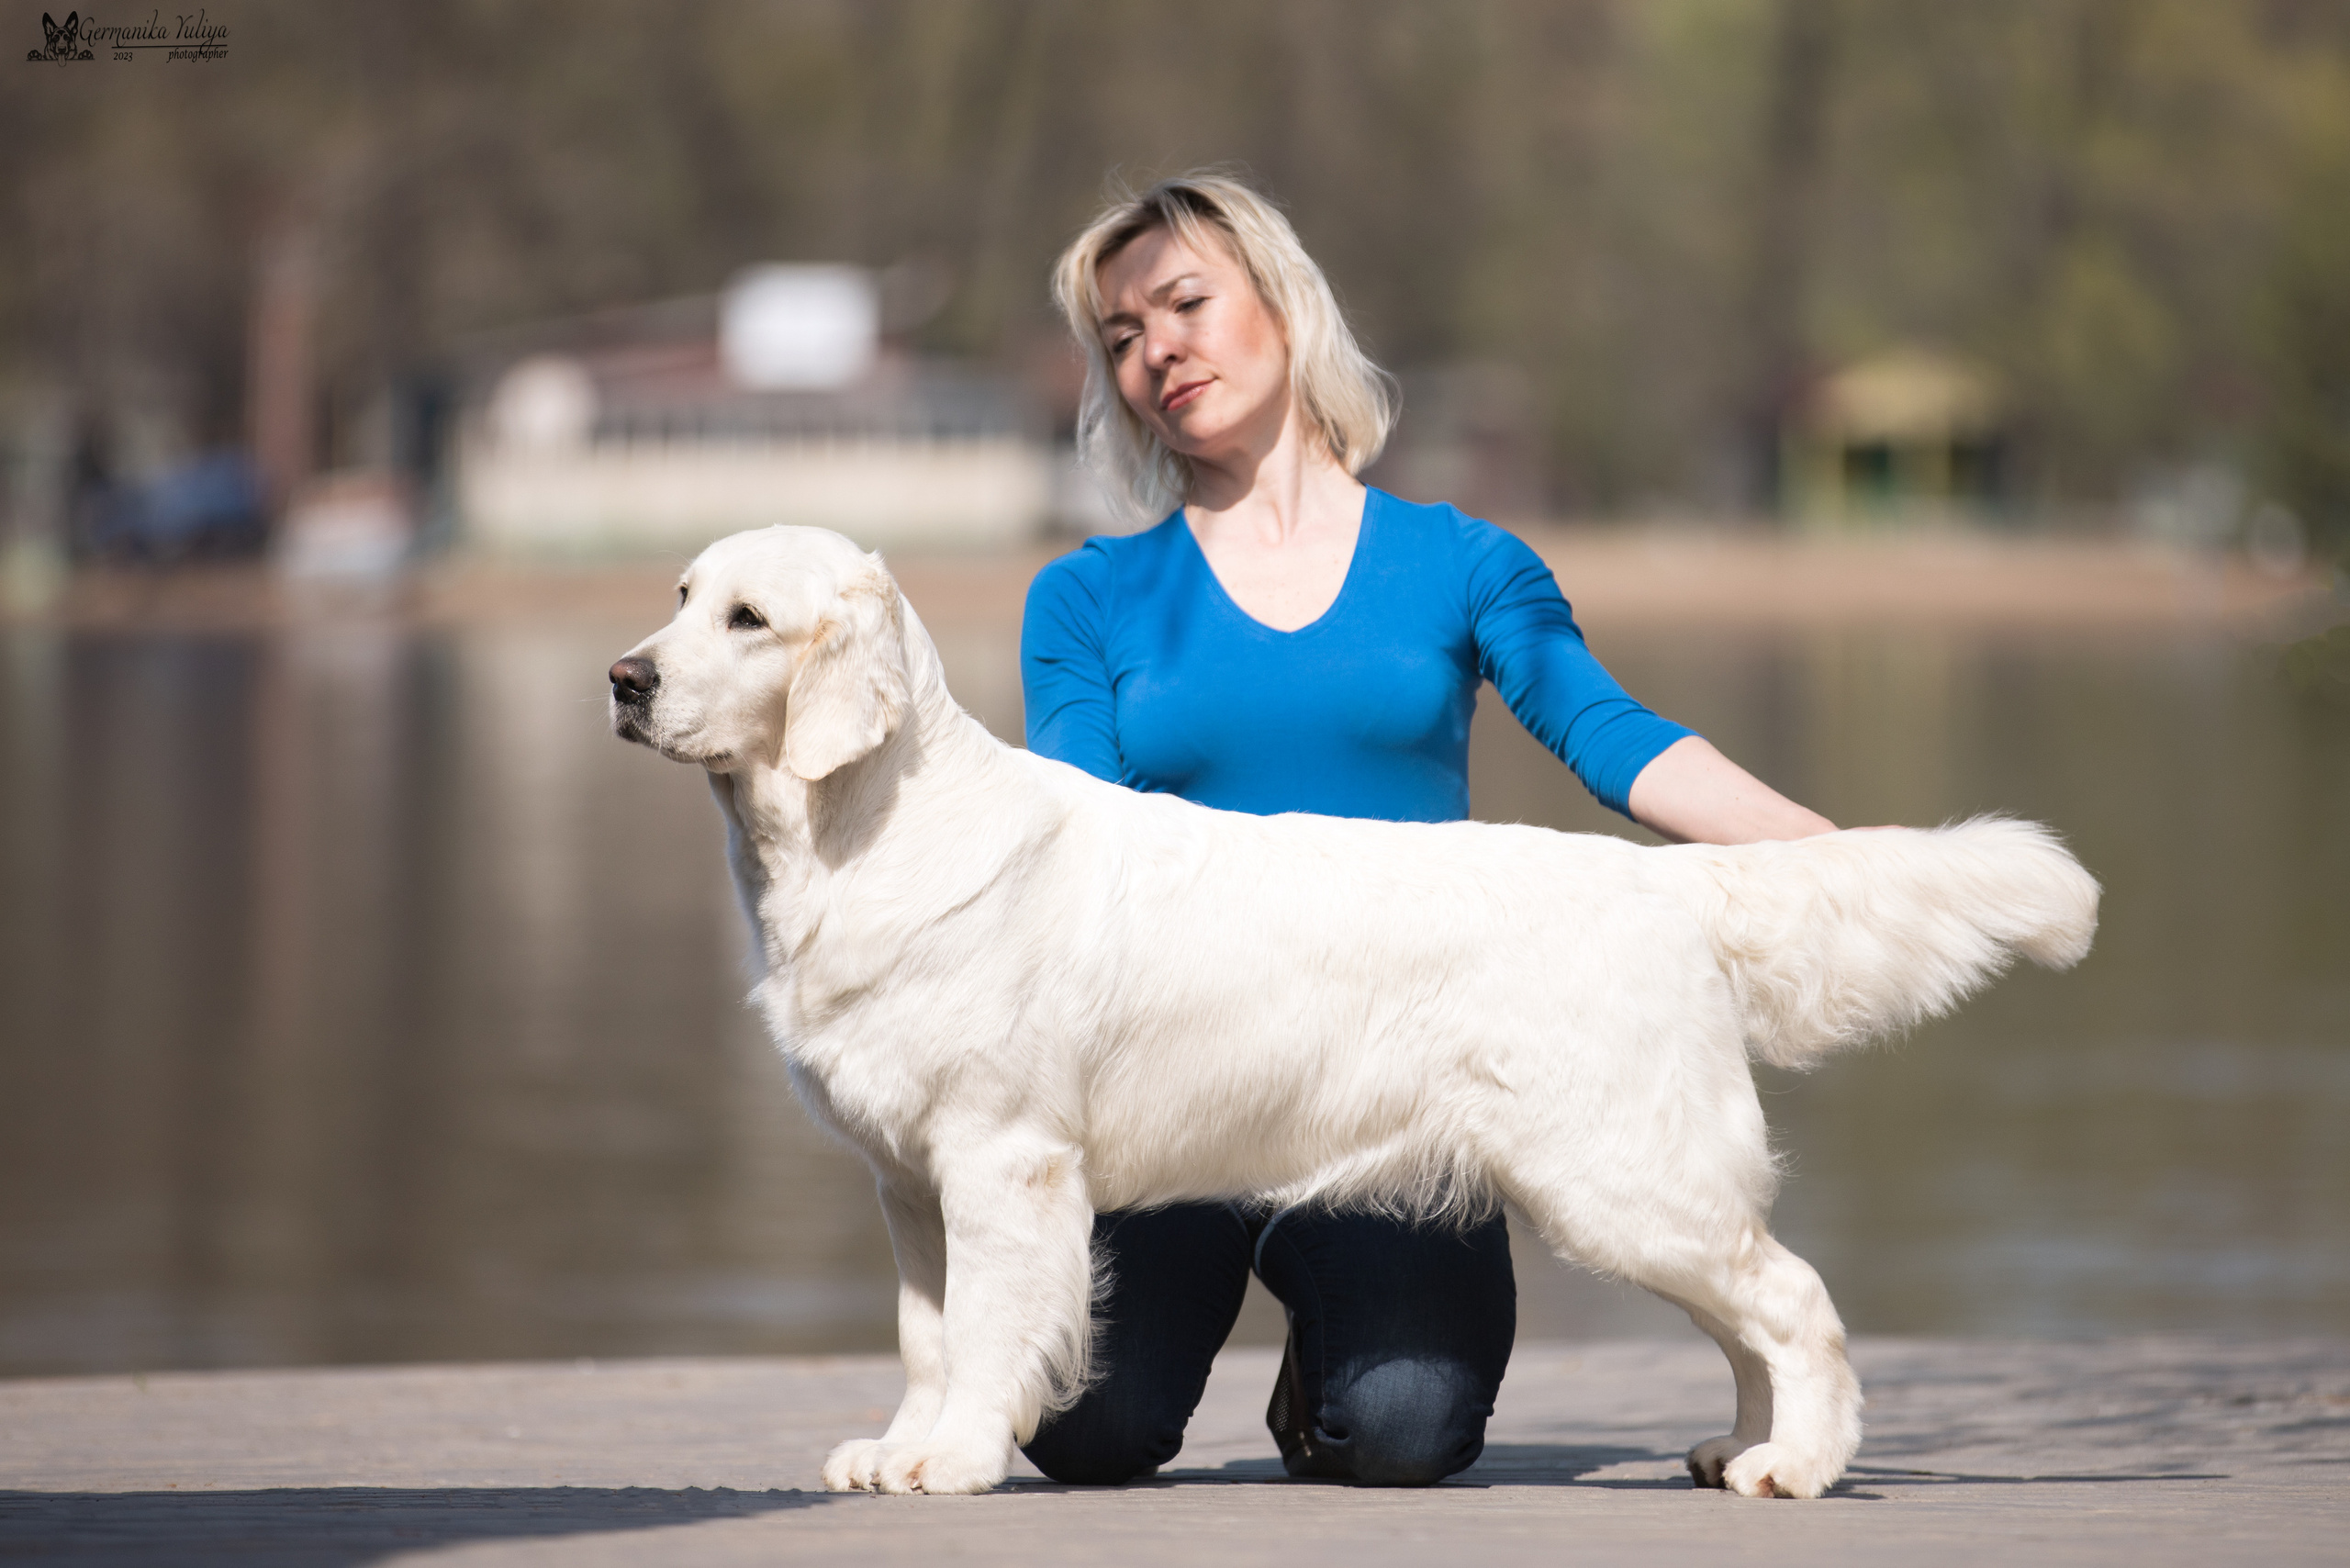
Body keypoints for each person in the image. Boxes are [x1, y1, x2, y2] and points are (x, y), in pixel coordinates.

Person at [1017, 173, 1840, 1488]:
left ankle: (1329, 1363)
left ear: (1285, 306)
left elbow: (1606, 733)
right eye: (1121, 337)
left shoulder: (1460, 561)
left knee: (1401, 1434)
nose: (1156, 349)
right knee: (1083, 1433)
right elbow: (1073, 835)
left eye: (1184, 304)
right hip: (1170, 1095)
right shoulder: (1090, 596)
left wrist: (1825, 853)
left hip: (1405, 1091)